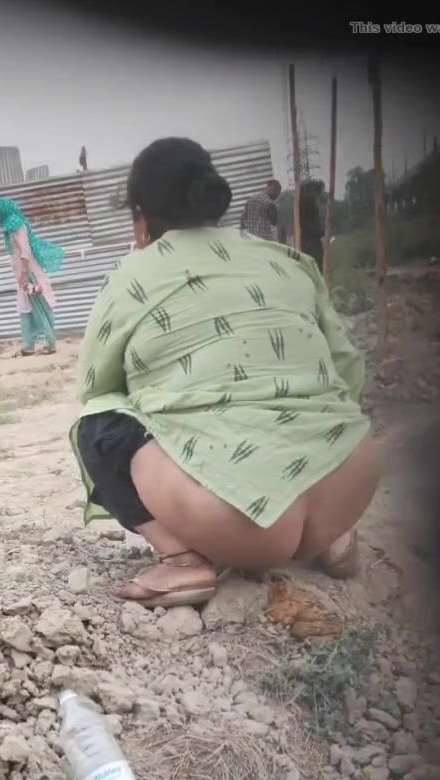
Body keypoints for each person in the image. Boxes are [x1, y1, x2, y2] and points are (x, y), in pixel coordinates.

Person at [69, 137, 378, 608]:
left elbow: (96, 385)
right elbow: (348, 369)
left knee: (99, 423)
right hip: (350, 481)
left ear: (141, 218)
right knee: (325, 403)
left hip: (235, 521)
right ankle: (333, 538)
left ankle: (182, 561)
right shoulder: (288, 261)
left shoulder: (131, 277)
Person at [0, 197, 65, 357]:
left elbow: (25, 251)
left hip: (30, 274)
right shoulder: (10, 228)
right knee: (25, 309)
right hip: (22, 275)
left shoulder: (18, 225)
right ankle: (29, 346)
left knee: (40, 307)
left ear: (3, 212)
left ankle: (50, 344)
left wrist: (24, 273)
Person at [240, 177, 283, 243]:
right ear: (275, 191)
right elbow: (274, 222)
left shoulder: (251, 198)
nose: (277, 196)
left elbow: (243, 218)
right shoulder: (270, 204)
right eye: (277, 193)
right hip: (263, 240)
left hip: (250, 238)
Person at [300, 179, 325, 270]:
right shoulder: (308, 201)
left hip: (306, 239)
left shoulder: (304, 201)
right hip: (310, 240)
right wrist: (321, 231)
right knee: (316, 263)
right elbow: (308, 223)